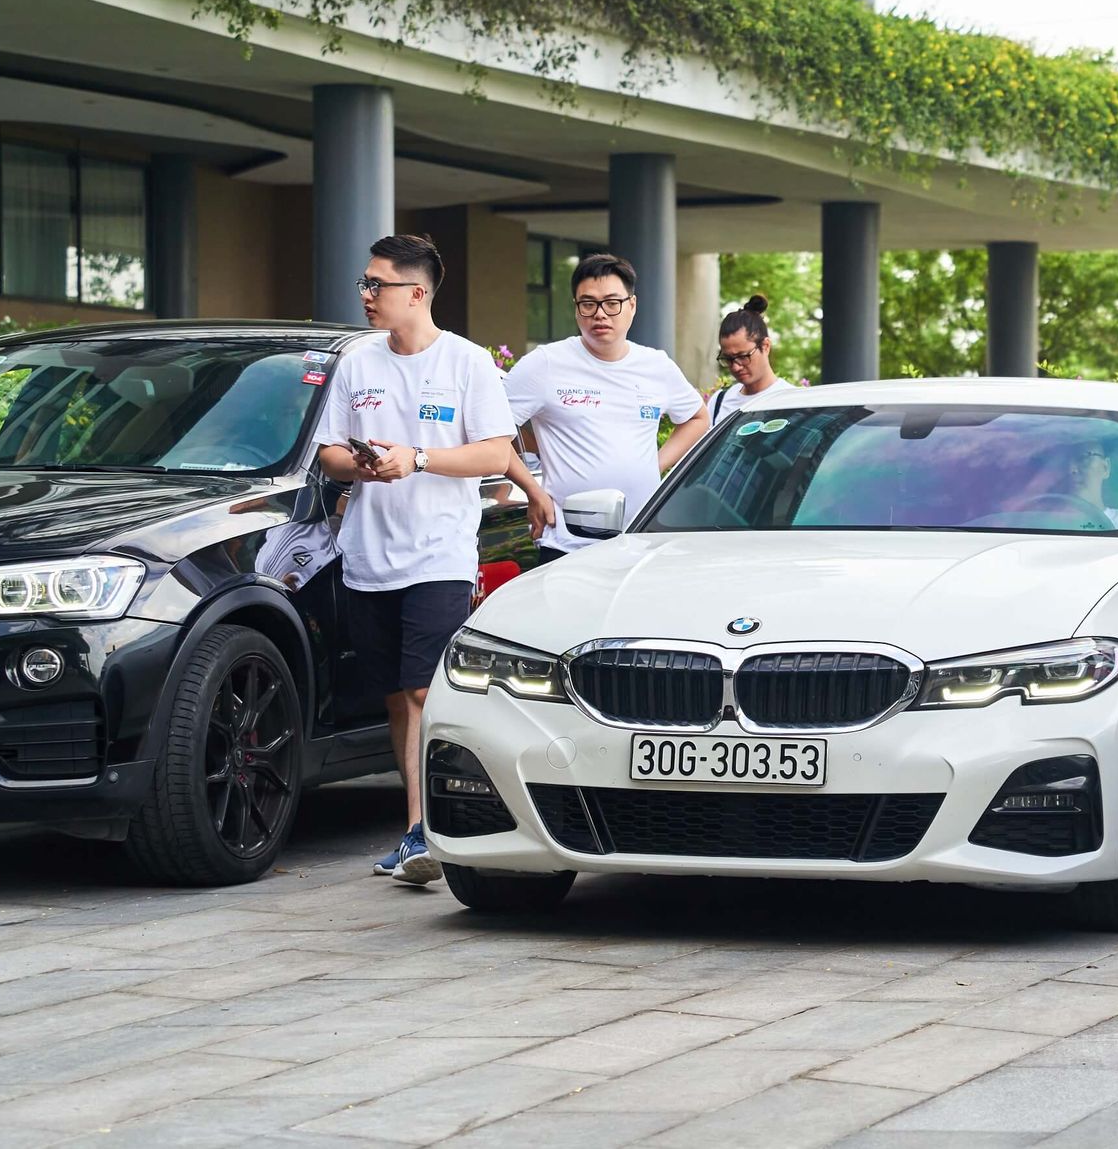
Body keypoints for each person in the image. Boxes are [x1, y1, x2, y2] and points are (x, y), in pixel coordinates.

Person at [315, 234, 515, 886]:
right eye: (365, 283)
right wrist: (366, 465)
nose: (367, 294)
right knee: (399, 698)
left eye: (379, 284)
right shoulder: (358, 364)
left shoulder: (466, 362)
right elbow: (330, 454)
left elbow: (494, 452)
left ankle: (430, 829)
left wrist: (419, 458)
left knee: (428, 689)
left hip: (439, 555)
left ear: (418, 292)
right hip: (367, 556)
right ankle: (413, 830)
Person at [503, 254, 707, 563]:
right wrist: (532, 489)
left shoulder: (656, 366)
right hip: (567, 544)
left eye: (612, 303)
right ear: (576, 308)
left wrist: (654, 465)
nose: (600, 314)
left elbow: (697, 417)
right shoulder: (545, 364)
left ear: (632, 306)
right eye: (588, 304)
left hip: (641, 539)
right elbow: (489, 431)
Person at [708, 295, 789, 425]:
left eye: (743, 356)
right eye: (728, 359)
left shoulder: (792, 401)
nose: (735, 367)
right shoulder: (719, 402)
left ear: (766, 346)